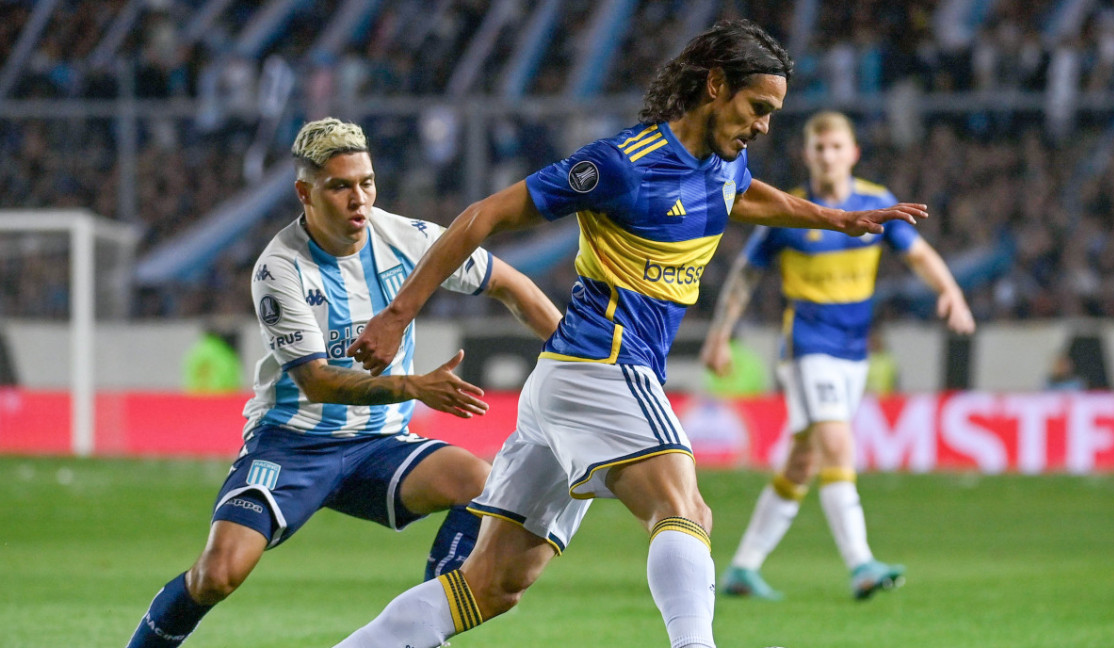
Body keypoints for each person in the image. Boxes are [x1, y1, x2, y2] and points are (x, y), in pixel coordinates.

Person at [335, 21, 927, 648]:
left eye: (774, 114)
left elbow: (743, 196)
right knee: (685, 509)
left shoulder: (725, 161)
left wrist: (836, 219)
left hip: (561, 384)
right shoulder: (621, 164)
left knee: (490, 586)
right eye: (758, 109)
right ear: (716, 85)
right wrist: (398, 315)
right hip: (605, 365)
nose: (763, 127)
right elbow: (485, 216)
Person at [124, 117, 562, 648]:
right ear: (304, 193)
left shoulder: (410, 239)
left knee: (479, 481)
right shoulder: (279, 268)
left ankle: (423, 633)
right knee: (217, 574)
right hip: (291, 443)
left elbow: (514, 287)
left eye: (367, 183)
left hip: (378, 445)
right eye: (340, 186)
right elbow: (317, 383)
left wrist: (574, 353)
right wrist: (412, 387)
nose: (359, 200)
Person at [700, 110, 975, 602]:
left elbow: (916, 253)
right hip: (808, 346)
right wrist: (720, 335)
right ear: (807, 155)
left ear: (853, 153)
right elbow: (745, 274)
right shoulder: (790, 209)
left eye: (835, 147)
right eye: (818, 148)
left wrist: (950, 289)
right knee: (837, 445)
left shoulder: (876, 203)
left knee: (803, 461)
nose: (827, 156)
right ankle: (861, 564)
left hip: (853, 351)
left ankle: (742, 568)